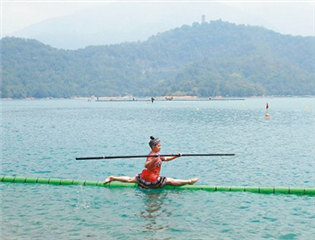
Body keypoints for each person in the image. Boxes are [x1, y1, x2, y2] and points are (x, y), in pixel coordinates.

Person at [104, 136, 199, 188]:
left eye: (160, 145)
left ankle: (113, 177)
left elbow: (167, 159)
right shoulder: (151, 155)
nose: (160, 147)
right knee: (170, 181)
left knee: (130, 180)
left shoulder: (158, 154)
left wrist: (176, 156)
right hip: (150, 177)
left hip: (150, 176)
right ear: (154, 147)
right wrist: (154, 159)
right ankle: (189, 182)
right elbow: (146, 165)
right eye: (159, 146)